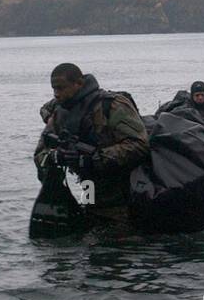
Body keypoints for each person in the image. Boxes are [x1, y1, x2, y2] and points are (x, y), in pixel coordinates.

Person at [33, 63, 149, 224]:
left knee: (120, 239)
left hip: (124, 190)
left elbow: (139, 145)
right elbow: (40, 154)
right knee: (92, 227)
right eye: (54, 89)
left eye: (61, 88)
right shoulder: (59, 114)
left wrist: (93, 158)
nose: (56, 94)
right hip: (89, 188)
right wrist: (55, 157)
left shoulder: (112, 105)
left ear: (79, 84)